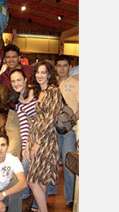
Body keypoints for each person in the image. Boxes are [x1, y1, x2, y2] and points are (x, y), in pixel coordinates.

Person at [26, 61, 63, 212]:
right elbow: (36, 120)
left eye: (43, 72)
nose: (40, 75)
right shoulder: (39, 92)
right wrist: (30, 141)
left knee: (33, 181)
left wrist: (38, 143)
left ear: (49, 74)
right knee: (41, 180)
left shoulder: (53, 91)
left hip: (46, 140)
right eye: (37, 72)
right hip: (36, 137)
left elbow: (51, 119)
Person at [0, 44, 33, 159]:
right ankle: (13, 176)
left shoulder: (30, 71)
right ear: (5, 59)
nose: (11, 60)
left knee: (30, 149)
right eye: (8, 57)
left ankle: (28, 175)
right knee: (13, 148)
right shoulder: (2, 78)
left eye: (14, 57)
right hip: (13, 114)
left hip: (31, 113)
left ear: (19, 58)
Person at [55, 55, 79, 210]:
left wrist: (70, 123)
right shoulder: (51, 83)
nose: (62, 68)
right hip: (52, 130)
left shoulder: (76, 84)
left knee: (69, 164)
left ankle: (70, 198)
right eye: (59, 65)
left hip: (69, 131)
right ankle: (48, 191)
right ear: (56, 67)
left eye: (65, 65)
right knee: (51, 163)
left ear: (70, 67)